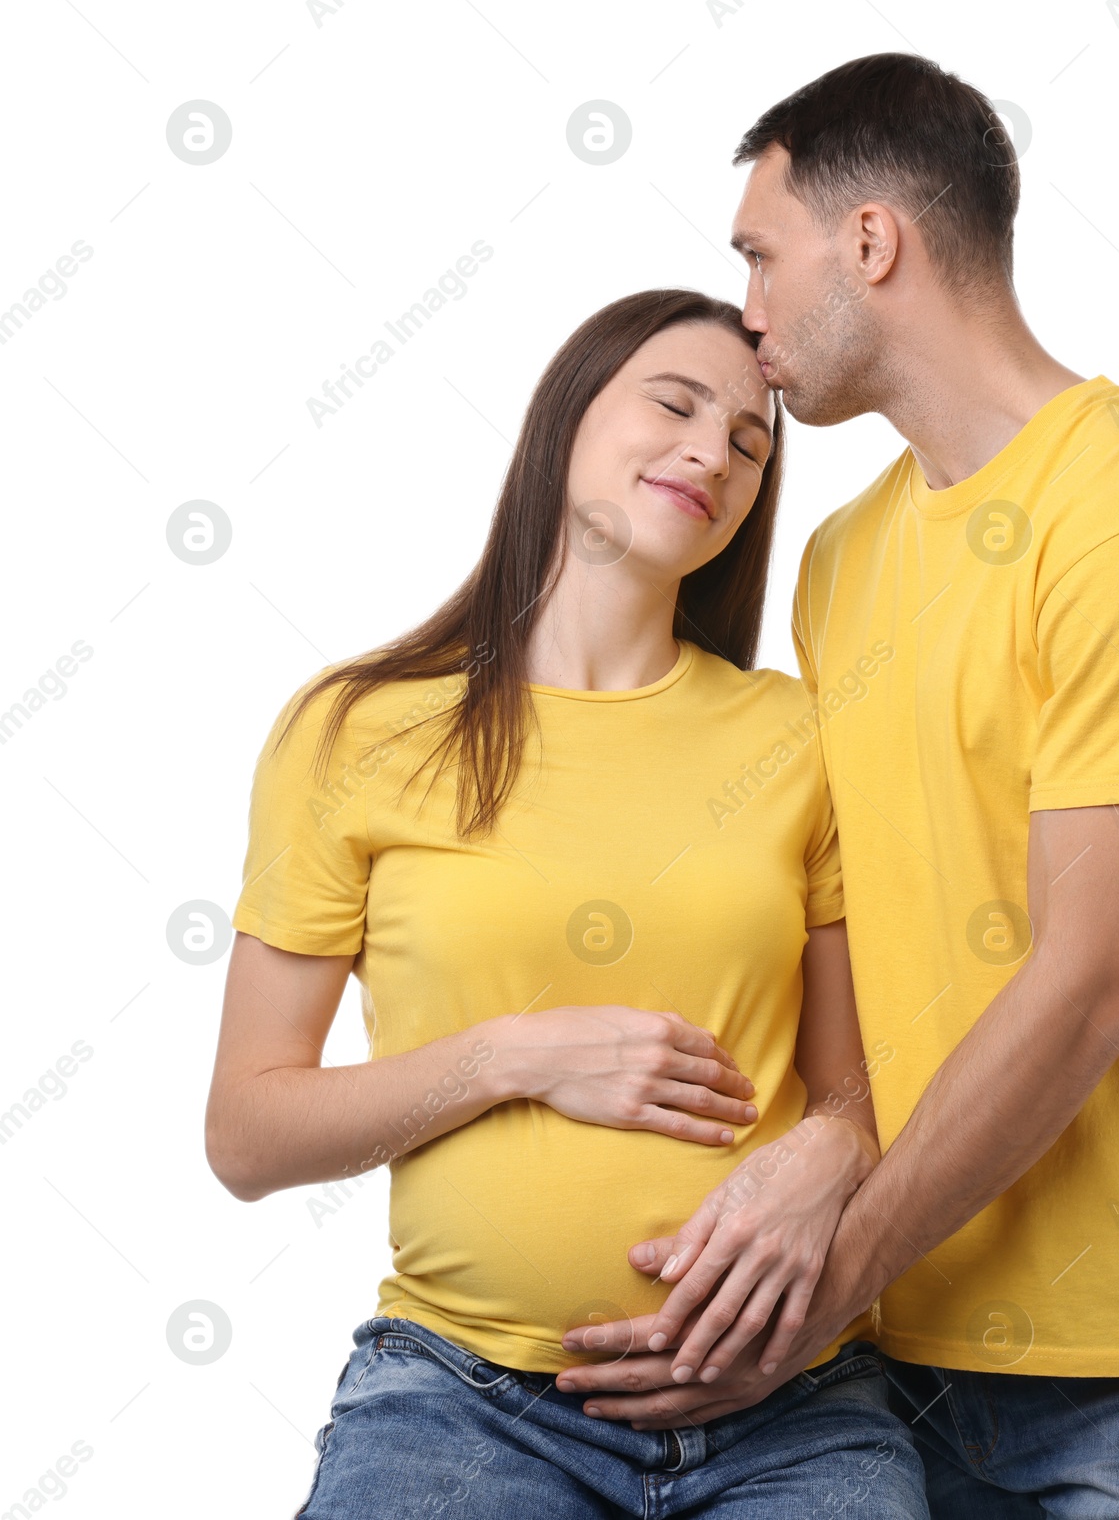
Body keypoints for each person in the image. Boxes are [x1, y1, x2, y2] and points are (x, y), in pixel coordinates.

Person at [555, 56, 1119, 1518]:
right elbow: (848, 917)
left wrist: (818, 1283)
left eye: (759, 257)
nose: (748, 312)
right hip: (897, 1369)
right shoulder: (841, 562)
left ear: (873, 242)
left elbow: (1094, 982)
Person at [204, 288, 929, 1519]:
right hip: (464, 1398)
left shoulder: (797, 739)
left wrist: (837, 1152)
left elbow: (857, 1088)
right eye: (676, 402)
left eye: (752, 445)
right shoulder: (358, 731)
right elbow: (248, 1132)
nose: (715, 450)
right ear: (566, 414)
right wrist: (514, 1054)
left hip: (789, 1403)